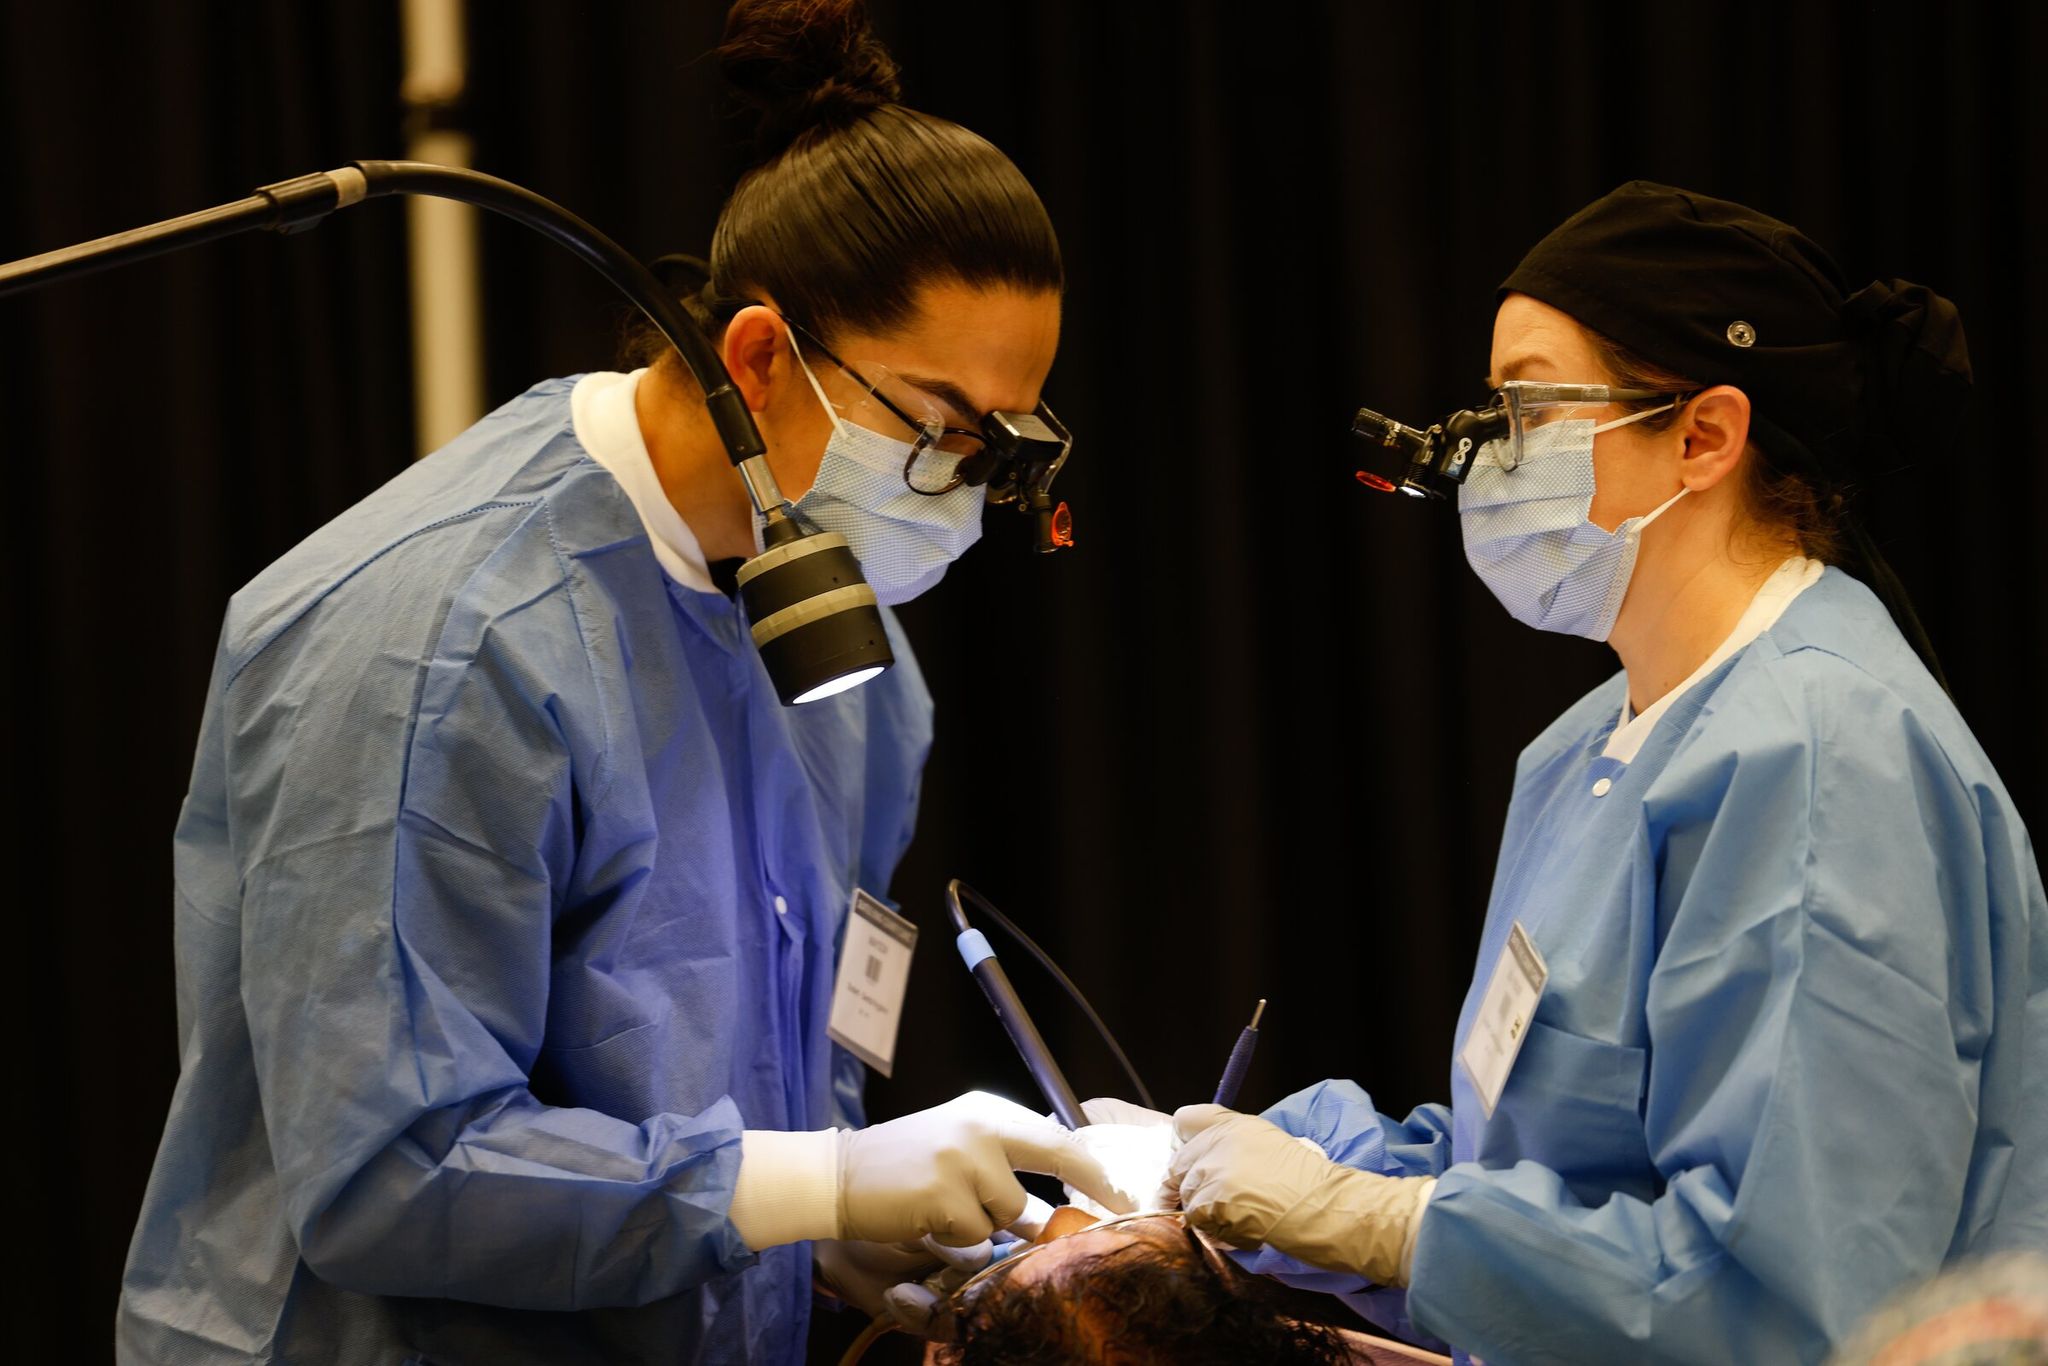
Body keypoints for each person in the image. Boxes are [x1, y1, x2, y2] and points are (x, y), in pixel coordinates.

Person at [113, 3, 1128, 1362]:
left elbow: (754, 1063)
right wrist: (808, 1183)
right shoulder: (444, 640)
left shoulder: (846, 654)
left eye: (1002, 447)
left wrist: (823, 1228)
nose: (960, 492)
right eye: (939, 430)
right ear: (763, 359)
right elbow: (390, 1172)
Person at [1146, 183, 2044, 1363]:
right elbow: (1533, 1164)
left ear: (1701, 435)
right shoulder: (1589, 750)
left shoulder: (1823, 759)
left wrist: (1387, 1226)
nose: (1480, 448)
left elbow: (1790, 1301)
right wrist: (1295, 1169)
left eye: (1521, 404)